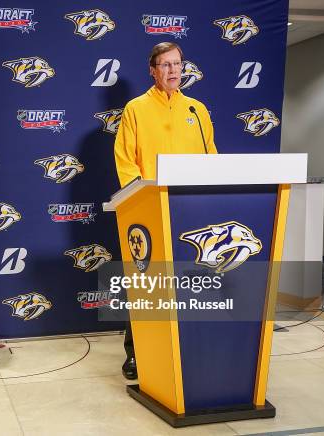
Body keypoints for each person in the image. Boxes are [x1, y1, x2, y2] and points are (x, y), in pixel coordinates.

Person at [114, 42, 218, 380]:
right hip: (150, 212)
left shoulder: (197, 110)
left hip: (192, 211)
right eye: (165, 65)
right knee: (147, 285)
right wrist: (142, 199)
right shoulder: (135, 109)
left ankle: (187, 349)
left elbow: (211, 157)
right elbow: (126, 161)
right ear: (152, 70)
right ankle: (136, 354)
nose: (173, 71)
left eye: (177, 64)